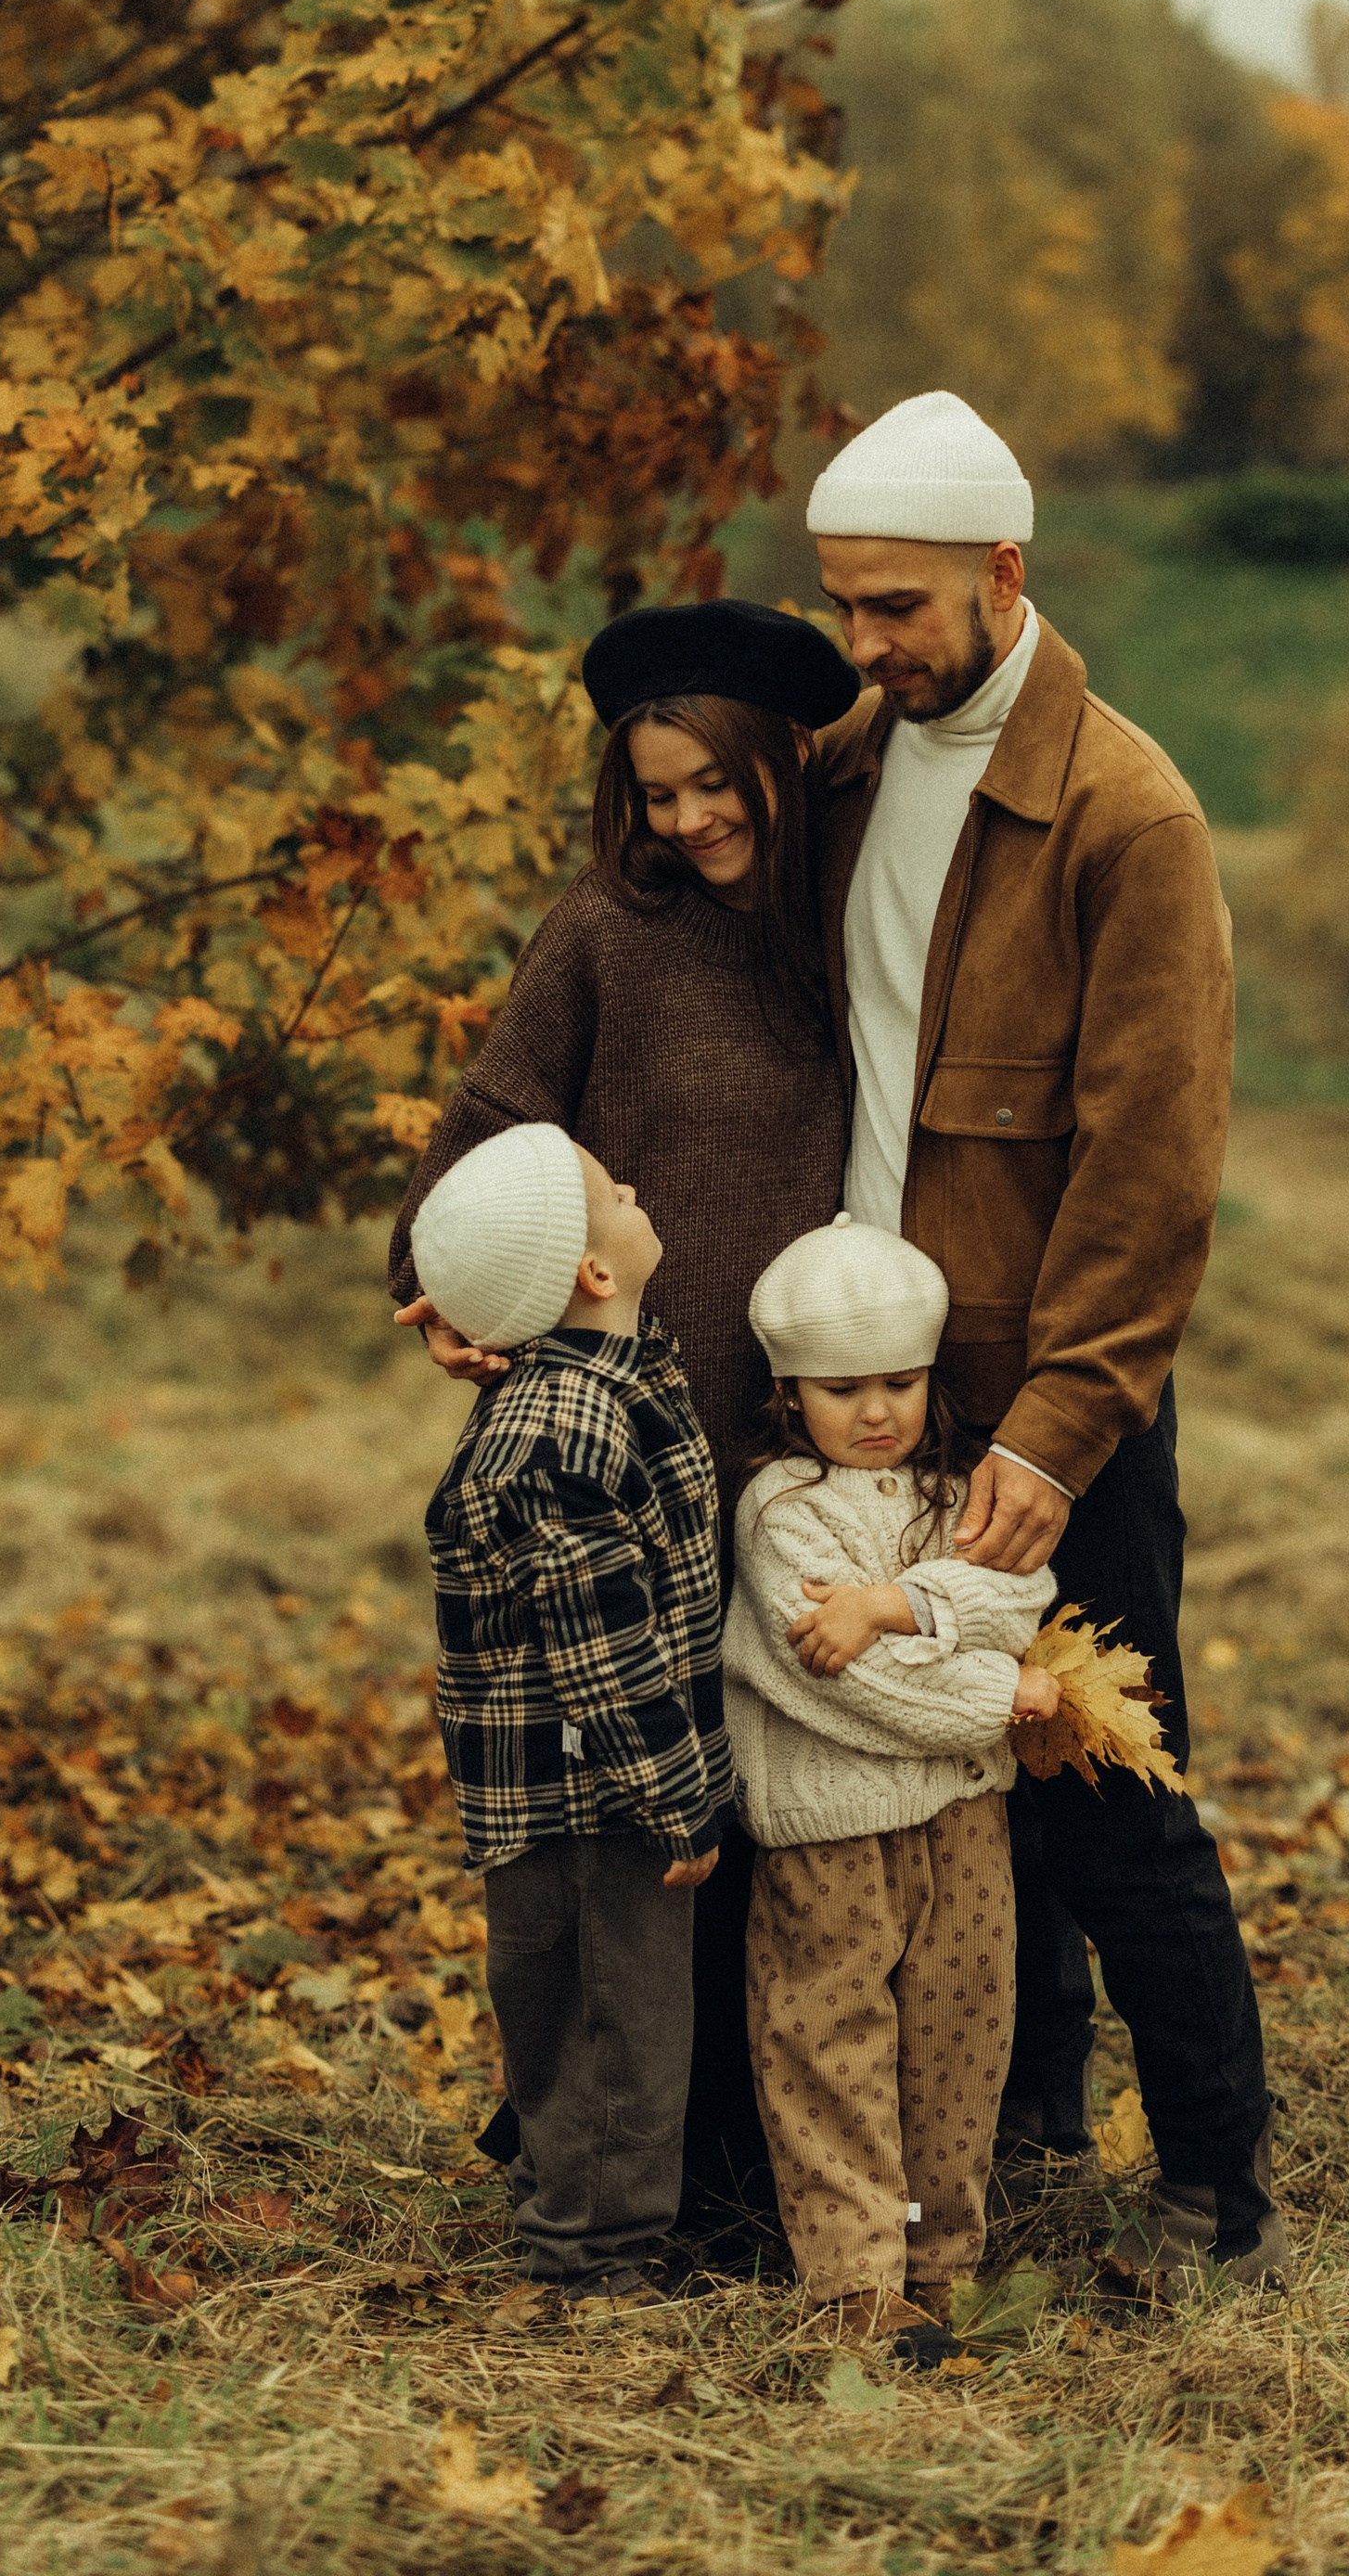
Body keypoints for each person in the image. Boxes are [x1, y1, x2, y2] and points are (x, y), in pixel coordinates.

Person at [803, 387, 1288, 2288]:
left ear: (1005, 576)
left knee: (1099, 1787)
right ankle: (1014, 2120)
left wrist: (1055, 1433)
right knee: (930, 1781)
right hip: (868, 1398)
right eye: (843, 606)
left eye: (899, 608)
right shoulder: (842, 764)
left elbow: (1150, 1173)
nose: (864, 646)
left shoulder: (1123, 814)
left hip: (1044, 1412)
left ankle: (1213, 2197)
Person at [390, 594, 863, 2226]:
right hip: (639, 1449)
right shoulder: (605, 930)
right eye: (656, 792)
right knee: (651, 1823)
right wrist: (451, 1297)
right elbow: (476, 1140)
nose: (688, 819)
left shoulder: (843, 924)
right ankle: (627, 2161)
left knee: (794, 1802)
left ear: (778, 762)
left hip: (801, 1452)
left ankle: (763, 2153)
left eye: (713, 783)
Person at [726, 1214, 1062, 2348]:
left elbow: (1020, 1595)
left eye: (899, 1382)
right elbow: (848, 1681)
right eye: (841, 1389)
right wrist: (992, 1697)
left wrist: (901, 1604)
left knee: (959, 2029)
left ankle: (935, 2252)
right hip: (833, 1828)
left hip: (965, 1821)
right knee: (831, 2039)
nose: (876, 1412)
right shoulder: (782, 1512)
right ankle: (853, 2276)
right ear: (789, 1395)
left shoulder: (952, 1488)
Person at [412, 1121, 727, 2298]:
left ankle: (591, 2223)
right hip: (587, 1802)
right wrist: (676, 1805)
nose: (635, 1182)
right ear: (594, 1273)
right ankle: (587, 2261)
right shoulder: (557, 1436)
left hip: (602, 1788)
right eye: (613, 1191)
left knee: (608, 2016)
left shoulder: (607, 1376)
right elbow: (603, 1654)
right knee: (611, 2027)